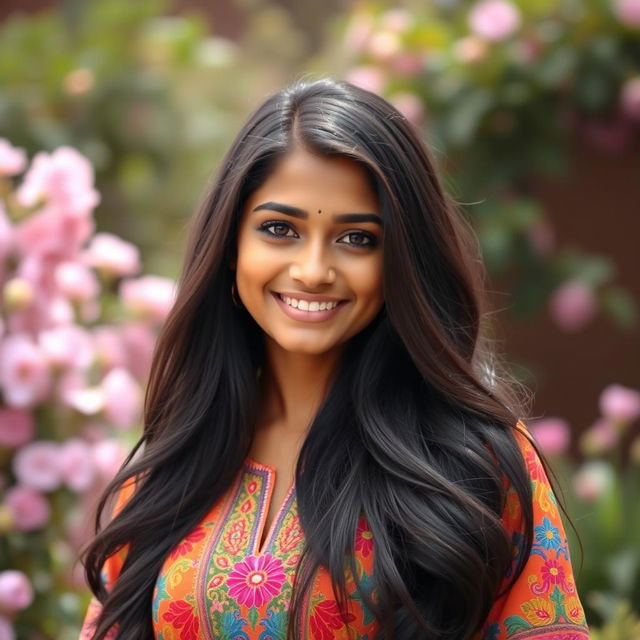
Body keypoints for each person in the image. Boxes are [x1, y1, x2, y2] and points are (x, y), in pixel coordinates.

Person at [79, 78, 590, 640]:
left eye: (357, 239)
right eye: (280, 230)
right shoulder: (176, 460)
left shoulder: (474, 465)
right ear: (231, 247)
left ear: (401, 260)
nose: (314, 269)